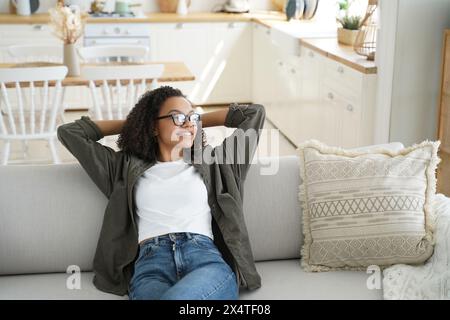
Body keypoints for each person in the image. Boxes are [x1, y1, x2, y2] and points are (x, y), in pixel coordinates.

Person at [57, 86, 265, 300]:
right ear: (153, 127)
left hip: (204, 260)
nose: (188, 123)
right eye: (177, 116)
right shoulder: (123, 168)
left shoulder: (217, 163)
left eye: (192, 117)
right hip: (151, 265)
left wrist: (192, 121)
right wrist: (136, 123)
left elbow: (254, 114)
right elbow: (70, 132)